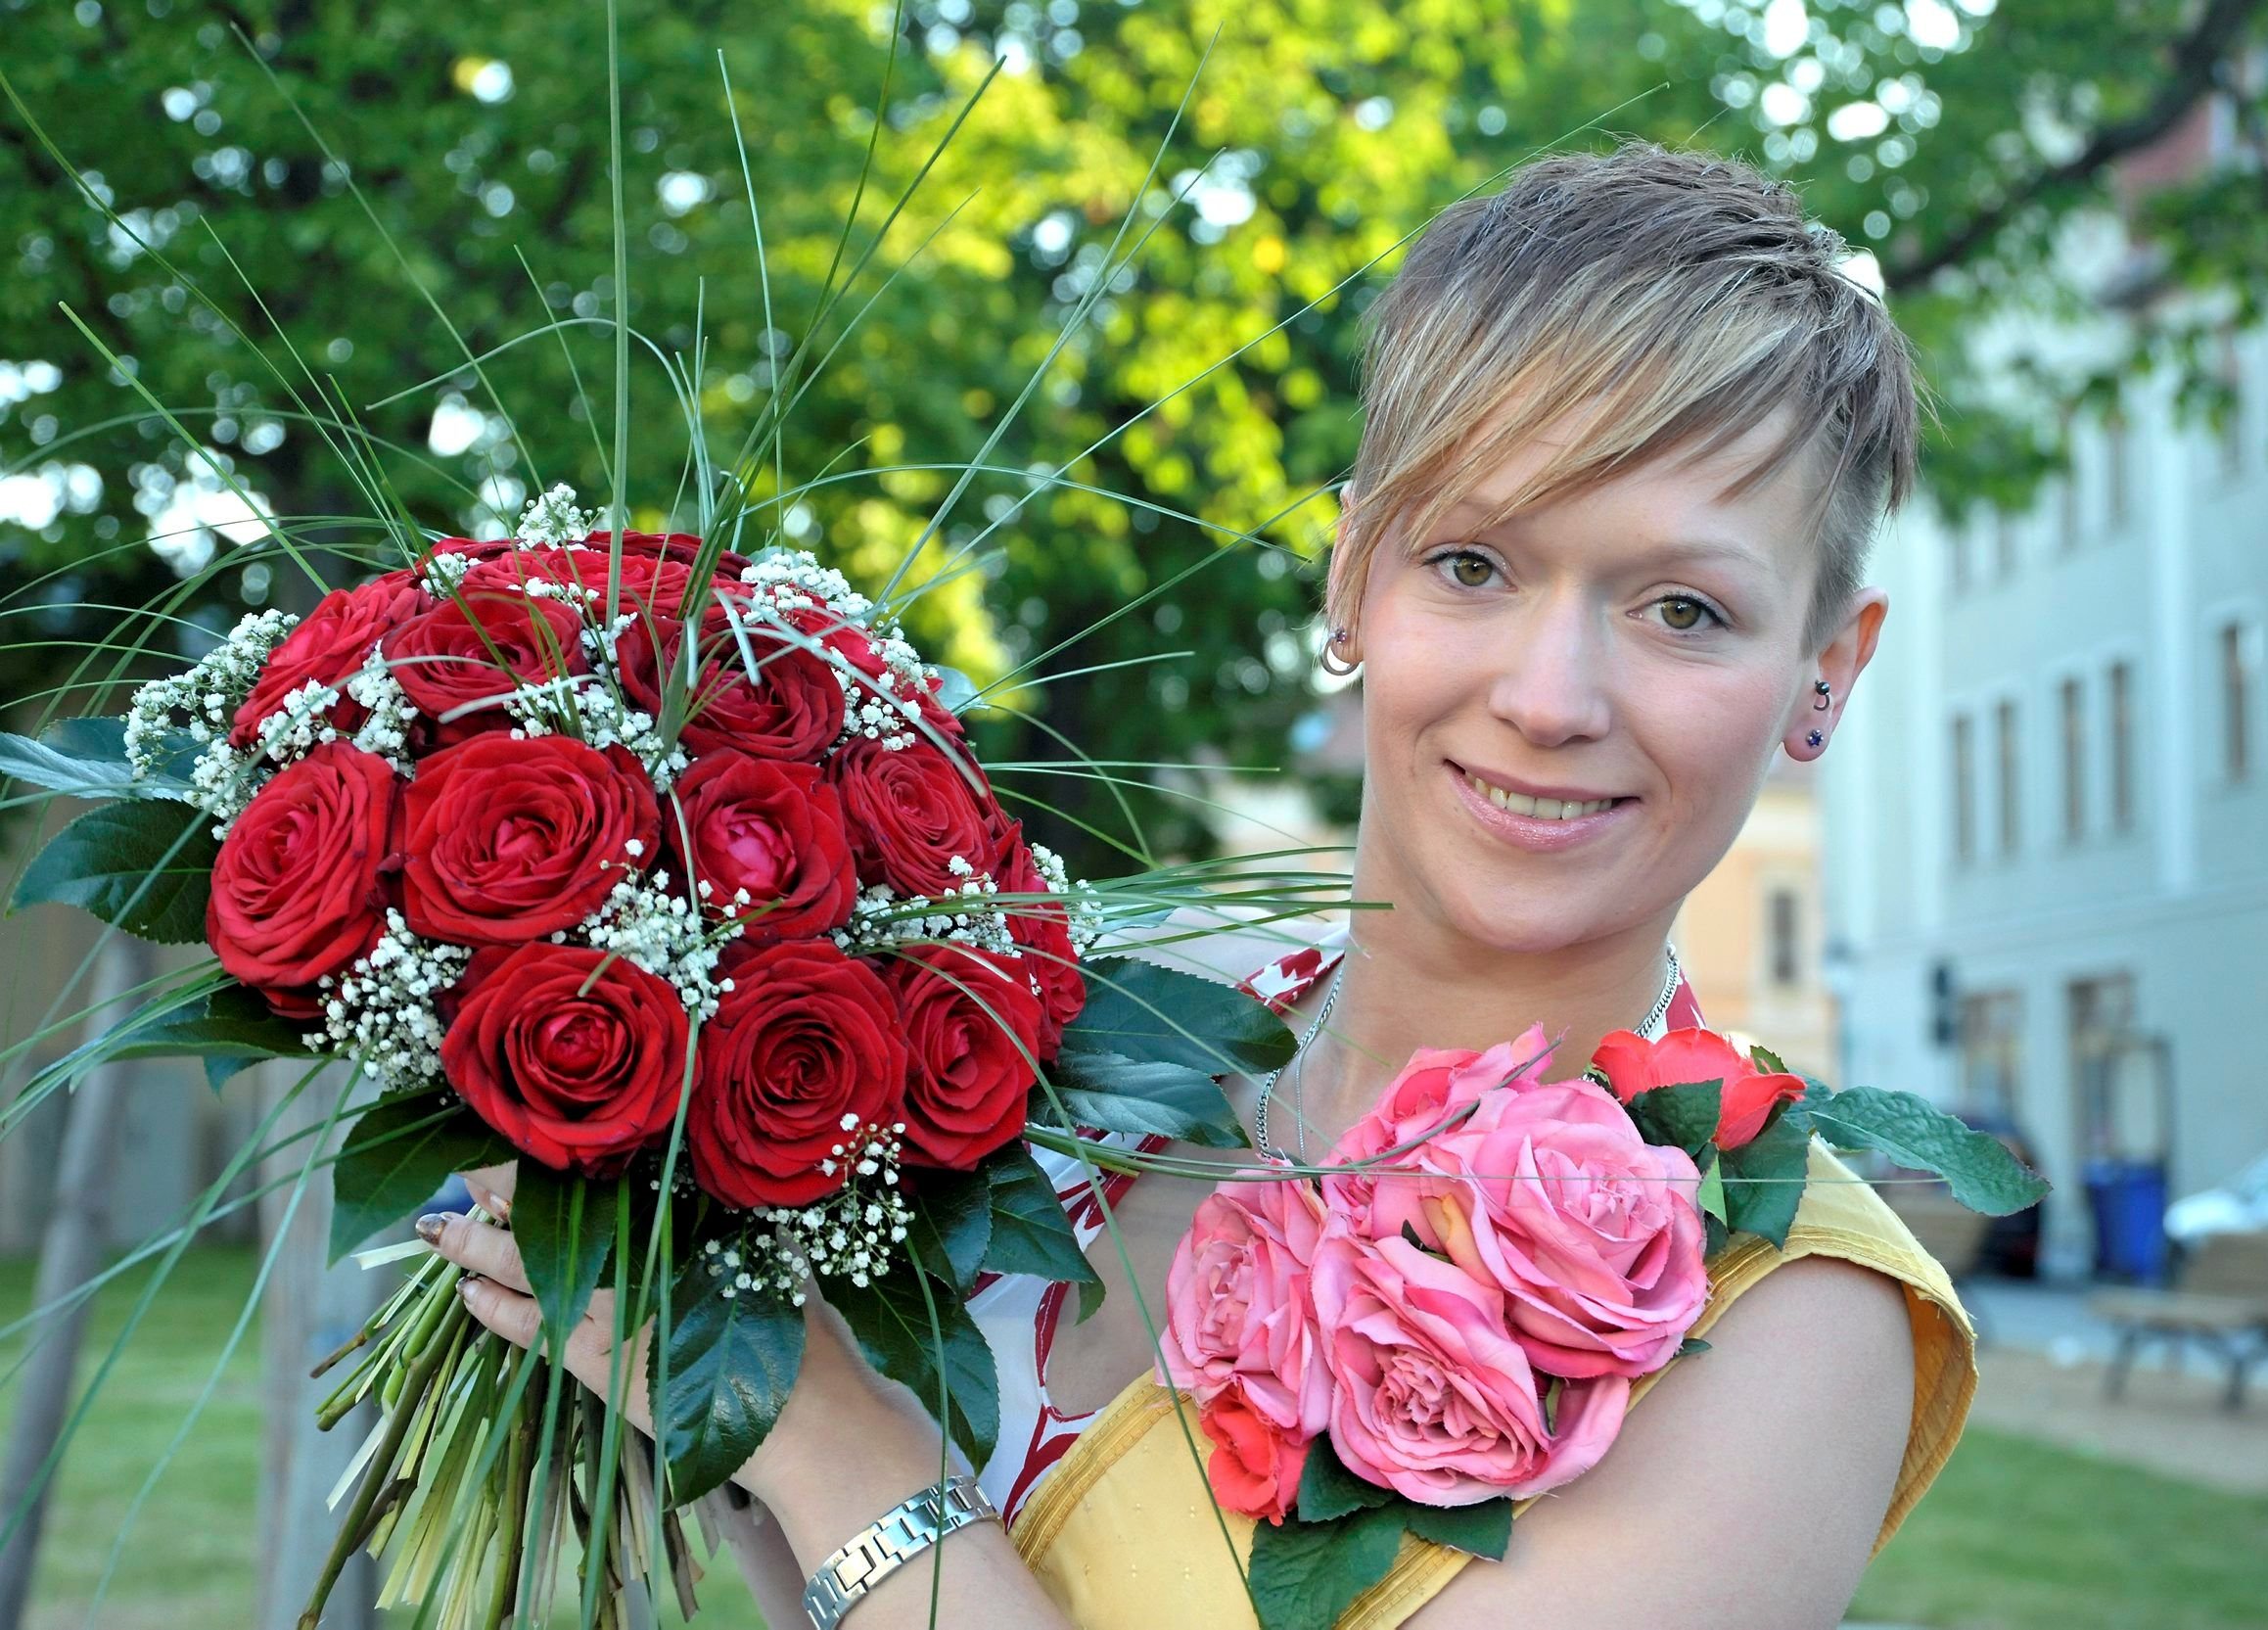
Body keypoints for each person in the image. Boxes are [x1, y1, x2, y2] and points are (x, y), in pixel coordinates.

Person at [423, 139, 1970, 1628]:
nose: (1552, 694)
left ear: (1825, 672)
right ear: (1352, 571)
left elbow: (857, 1489)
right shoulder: (1108, 1034)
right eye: (1474, 564)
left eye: (1686, 606)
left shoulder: (1794, 1313)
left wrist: (819, 1431)